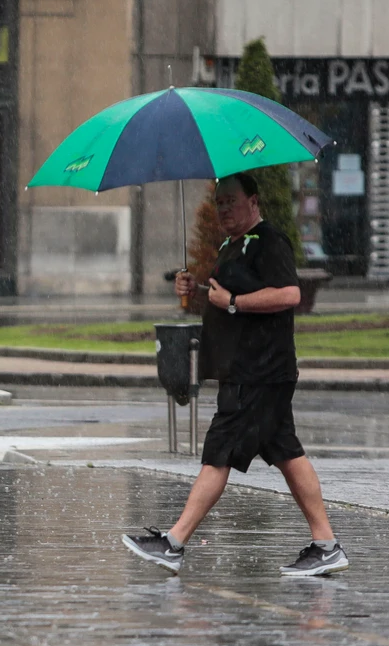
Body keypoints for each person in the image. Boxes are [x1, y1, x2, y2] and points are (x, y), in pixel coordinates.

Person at [124, 172, 350, 577]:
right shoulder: (232, 246)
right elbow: (223, 298)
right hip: (249, 370)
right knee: (286, 453)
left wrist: (233, 302)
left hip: (259, 371)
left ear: (254, 202)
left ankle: (173, 543)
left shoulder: (269, 242)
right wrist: (195, 290)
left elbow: (289, 294)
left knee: (219, 452)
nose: (224, 208)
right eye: (219, 201)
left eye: (231, 200)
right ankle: (326, 544)